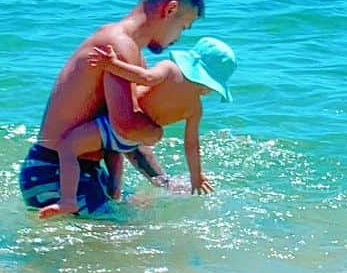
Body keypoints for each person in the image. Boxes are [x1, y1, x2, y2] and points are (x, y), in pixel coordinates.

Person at [19, 0, 204, 215]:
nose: (178, 38)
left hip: (75, 170)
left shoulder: (132, 55)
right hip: (54, 172)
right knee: (129, 242)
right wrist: (155, 131)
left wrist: (162, 182)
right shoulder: (117, 46)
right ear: (170, 9)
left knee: (136, 212)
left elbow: (119, 138)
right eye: (183, 27)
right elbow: (126, 126)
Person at [37, 37, 237, 217]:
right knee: (115, 157)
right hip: (131, 140)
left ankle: (68, 200)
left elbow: (145, 77)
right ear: (209, 85)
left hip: (116, 125)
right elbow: (191, 144)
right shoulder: (195, 108)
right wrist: (196, 176)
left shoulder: (168, 69)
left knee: (68, 147)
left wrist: (112, 64)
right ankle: (115, 194)